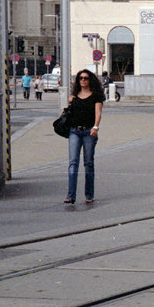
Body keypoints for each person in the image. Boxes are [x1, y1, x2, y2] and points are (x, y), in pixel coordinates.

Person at [64, 69, 104, 205]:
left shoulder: (96, 96)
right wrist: (69, 102)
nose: (83, 80)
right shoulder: (74, 96)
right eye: (80, 78)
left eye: (85, 78)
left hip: (89, 132)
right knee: (73, 162)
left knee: (88, 163)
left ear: (90, 80)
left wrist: (95, 127)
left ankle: (89, 195)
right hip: (74, 131)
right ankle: (71, 195)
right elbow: (67, 114)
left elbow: (98, 113)